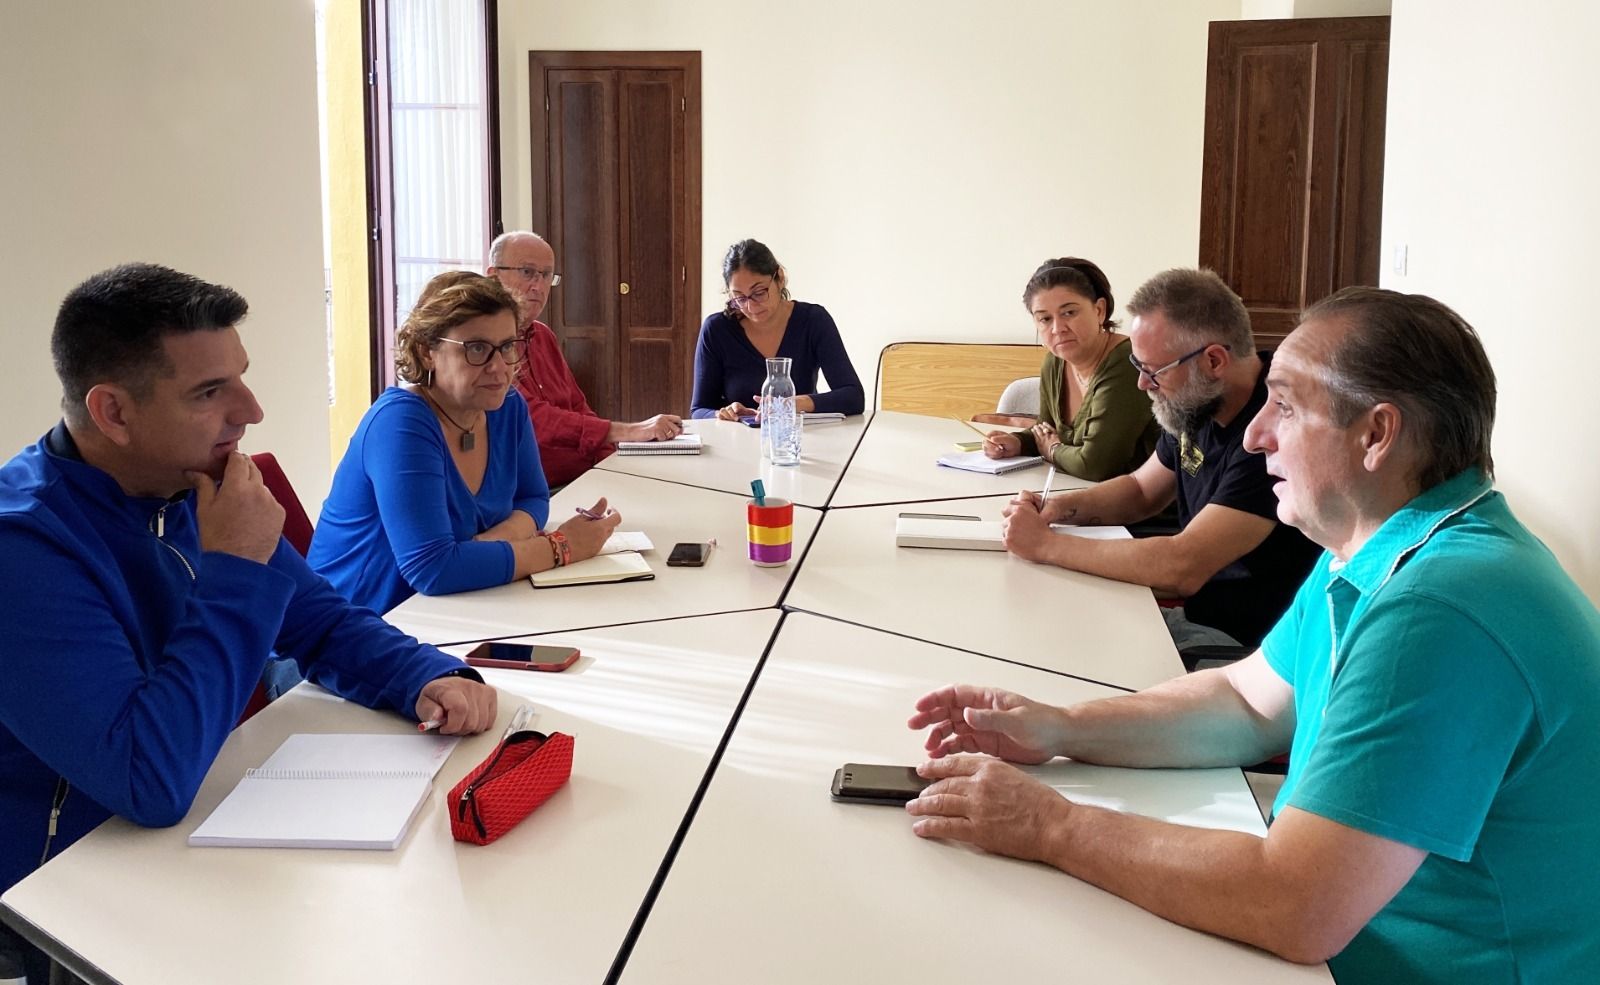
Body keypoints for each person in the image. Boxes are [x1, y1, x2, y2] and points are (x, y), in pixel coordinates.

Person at [905, 288, 1600, 981]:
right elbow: (1246, 701)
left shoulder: (1442, 605)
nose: (1256, 432)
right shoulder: (1374, 550)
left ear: (1377, 434)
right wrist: (1058, 728)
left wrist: (1049, 825)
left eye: (1287, 406)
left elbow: (1296, 903)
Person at [0, 264, 500, 982]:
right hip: (76, 892)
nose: (252, 408)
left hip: (212, 838)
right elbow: (149, 780)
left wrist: (427, 672)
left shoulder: (187, 483)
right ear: (111, 412)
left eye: (240, 376)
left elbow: (320, 619)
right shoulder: (22, 546)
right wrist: (234, 566)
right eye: (210, 392)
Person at [1002, 268, 1318, 650]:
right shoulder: (1195, 400)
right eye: (1138, 367)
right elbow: (1140, 491)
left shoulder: (1274, 430)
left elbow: (1182, 566)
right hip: (1197, 616)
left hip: (1245, 644)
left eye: (1153, 371)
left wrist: (1045, 546)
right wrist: (1056, 508)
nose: (1142, 384)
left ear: (1214, 361)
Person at [310, 272, 620, 614]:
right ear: (428, 352)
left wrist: (485, 546)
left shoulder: (507, 407)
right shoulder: (401, 423)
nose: (499, 368)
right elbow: (433, 568)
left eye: (507, 347)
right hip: (357, 631)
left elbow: (532, 498)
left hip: (453, 611)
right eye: (477, 349)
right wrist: (562, 547)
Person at [487, 231, 683, 486]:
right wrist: (631, 431)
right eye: (527, 272)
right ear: (493, 276)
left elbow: (579, 407)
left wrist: (613, 465)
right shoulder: (492, 346)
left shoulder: (544, 336)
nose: (538, 286)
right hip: (539, 491)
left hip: (585, 477)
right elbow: (533, 420)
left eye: (547, 275)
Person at [982, 258, 1159, 481]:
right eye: (1045, 319)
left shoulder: (1128, 362)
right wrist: (1017, 443)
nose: (1058, 329)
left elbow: (1095, 465)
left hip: (1141, 509)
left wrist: (1053, 450)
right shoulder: (1054, 361)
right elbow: (1044, 431)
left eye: (1069, 313)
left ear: (1099, 310)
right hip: (1076, 494)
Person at [691, 239, 865, 421]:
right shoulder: (716, 330)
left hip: (800, 440)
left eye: (759, 293)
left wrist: (796, 404)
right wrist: (721, 414)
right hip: (736, 442)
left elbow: (853, 397)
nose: (751, 307)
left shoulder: (813, 321)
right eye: (740, 298)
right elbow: (699, 410)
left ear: (779, 278)